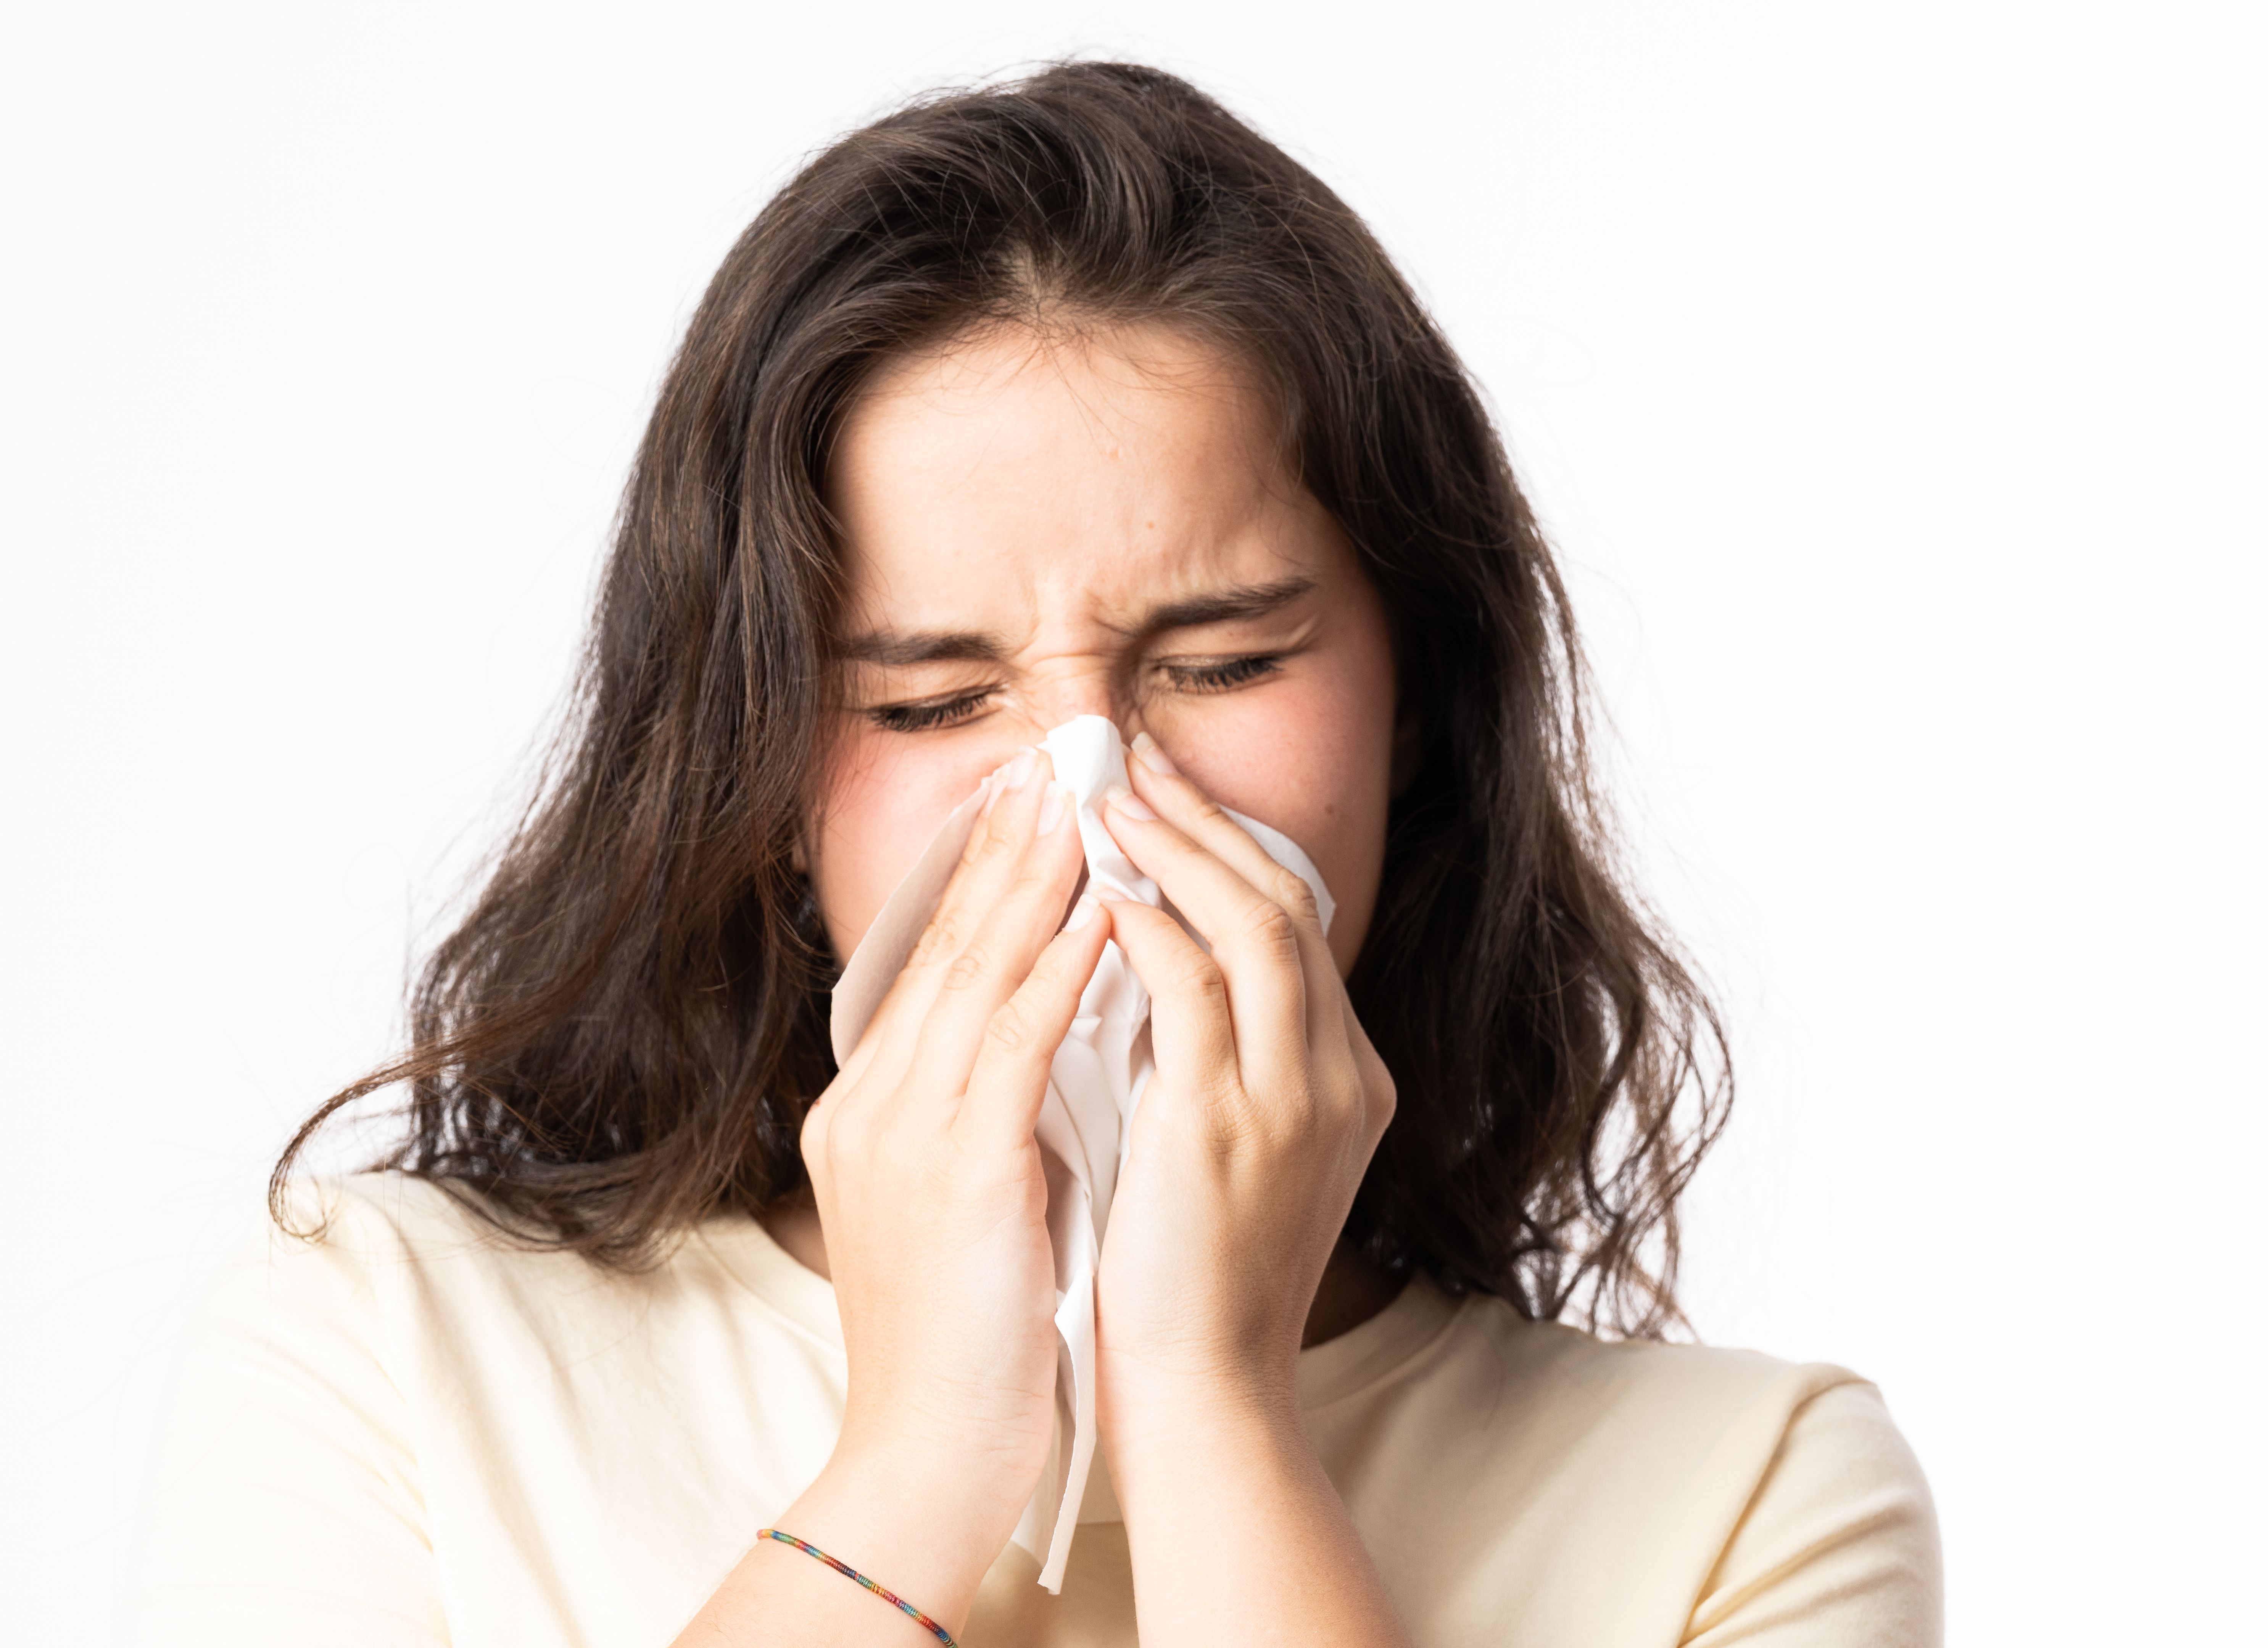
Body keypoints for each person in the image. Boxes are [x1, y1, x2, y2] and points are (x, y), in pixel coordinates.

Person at [121, 61, 1941, 1648]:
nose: (1088, 792)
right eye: (927, 702)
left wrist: (1211, 1403)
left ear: (1424, 705)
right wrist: (920, 1452)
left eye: (1223, 663)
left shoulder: (1747, 1502)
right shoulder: (387, 1354)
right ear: (755, 769)